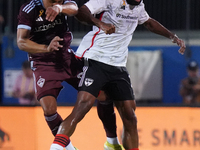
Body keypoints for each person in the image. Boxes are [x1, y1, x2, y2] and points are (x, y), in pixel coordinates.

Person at [49, 0, 186, 150]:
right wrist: (100, 23)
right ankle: (57, 146)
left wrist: (173, 37)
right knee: (83, 105)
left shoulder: (139, 6)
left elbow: (149, 22)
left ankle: (112, 143)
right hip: (95, 58)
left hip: (118, 66)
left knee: (130, 116)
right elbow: (81, 12)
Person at [17, 0, 122, 149]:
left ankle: (111, 142)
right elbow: (21, 42)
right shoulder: (29, 9)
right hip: (43, 63)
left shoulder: (61, 3)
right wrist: (47, 48)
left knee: (104, 94)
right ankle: (68, 147)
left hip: (67, 59)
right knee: (49, 109)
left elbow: (74, 9)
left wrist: (59, 8)